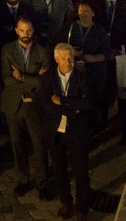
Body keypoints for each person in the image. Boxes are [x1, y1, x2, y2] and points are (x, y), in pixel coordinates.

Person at [1, 17, 51, 200]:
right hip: (13, 104)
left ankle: (42, 184)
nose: (25, 34)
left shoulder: (43, 52)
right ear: (16, 30)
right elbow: (7, 80)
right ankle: (23, 180)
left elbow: (45, 83)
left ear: (33, 31)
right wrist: (33, 80)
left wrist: (22, 77)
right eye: (22, 30)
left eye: (28, 31)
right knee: (17, 145)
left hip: (35, 105)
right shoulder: (7, 50)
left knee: (39, 145)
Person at [43, 43, 93, 221]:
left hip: (76, 131)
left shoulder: (82, 77)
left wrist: (62, 102)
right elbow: (46, 104)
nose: (68, 61)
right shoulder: (48, 77)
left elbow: (87, 103)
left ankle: (82, 209)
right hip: (55, 131)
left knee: (81, 171)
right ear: (56, 59)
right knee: (59, 169)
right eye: (63, 58)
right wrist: (73, 105)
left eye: (70, 57)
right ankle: (66, 202)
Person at [66, 2, 111, 133]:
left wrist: (93, 58)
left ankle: (99, 125)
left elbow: (108, 53)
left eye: (86, 11)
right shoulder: (70, 28)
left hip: (95, 72)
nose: (83, 14)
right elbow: (60, 45)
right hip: (76, 72)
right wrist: (71, 51)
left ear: (93, 13)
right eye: (81, 11)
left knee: (97, 100)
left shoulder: (99, 31)